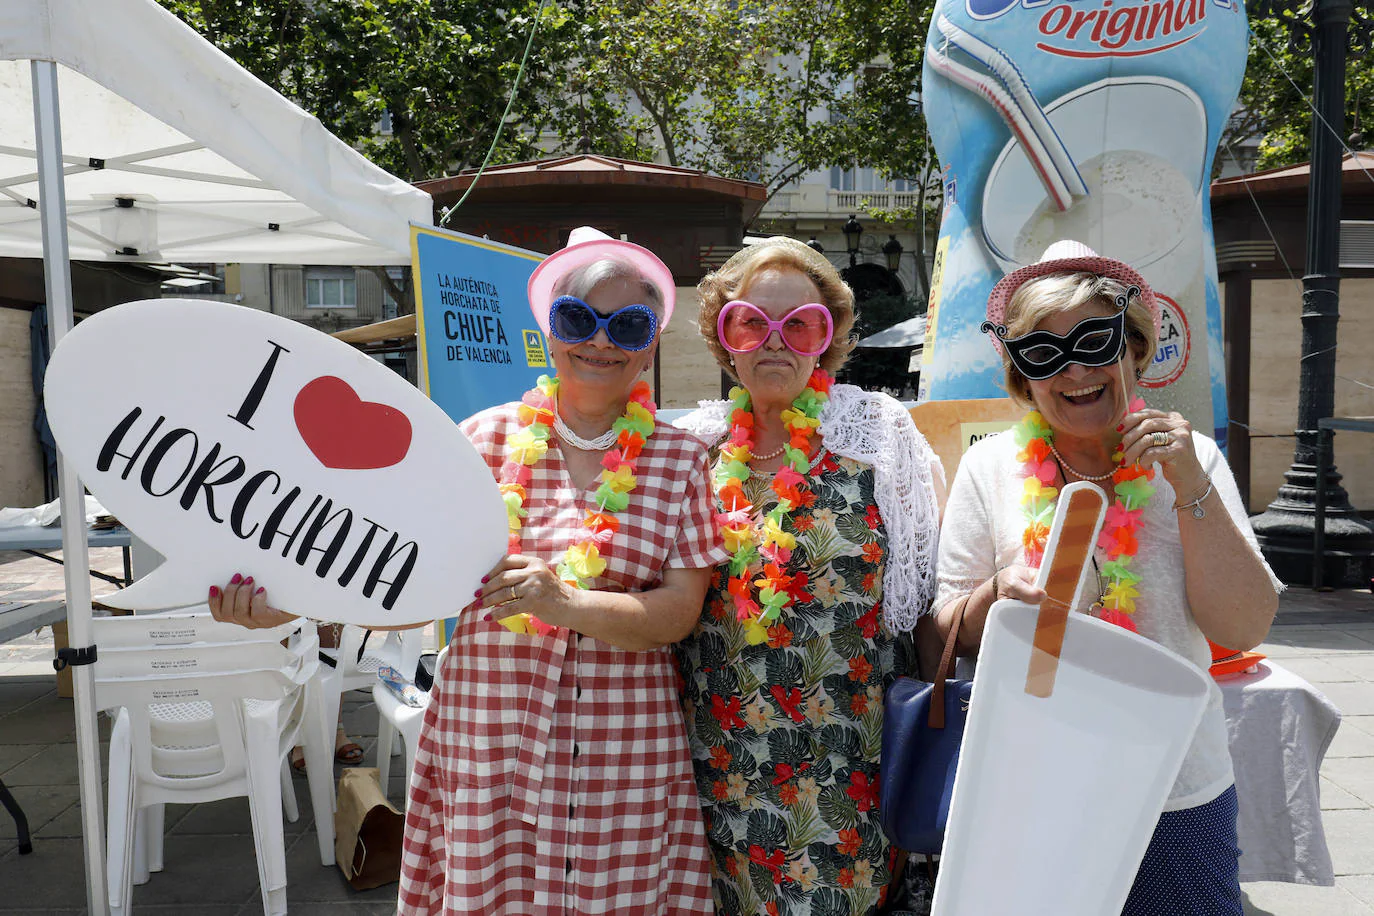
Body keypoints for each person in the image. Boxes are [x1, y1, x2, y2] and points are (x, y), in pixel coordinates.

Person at [211, 227, 727, 915]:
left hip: (622, 742)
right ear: (549, 329)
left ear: (648, 344)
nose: (600, 341)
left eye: (627, 325)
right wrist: (291, 604)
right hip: (491, 733)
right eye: (580, 319)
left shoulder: (680, 459)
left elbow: (678, 613)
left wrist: (567, 604)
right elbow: (399, 581)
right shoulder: (479, 440)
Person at [932, 239, 1282, 915]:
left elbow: (1244, 626)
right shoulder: (989, 469)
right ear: (1023, 376)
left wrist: (1187, 486)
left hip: (1173, 786)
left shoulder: (1194, 459)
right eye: (1044, 353)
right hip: (1031, 786)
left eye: (1096, 341)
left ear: (1134, 350)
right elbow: (943, 631)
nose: (1074, 370)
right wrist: (991, 600)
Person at [674, 237, 943, 915]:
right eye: (750, 322)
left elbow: (925, 608)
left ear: (828, 337)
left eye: (800, 324)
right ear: (721, 333)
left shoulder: (879, 434)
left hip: (852, 776)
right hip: (723, 775)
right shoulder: (690, 449)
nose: (774, 341)